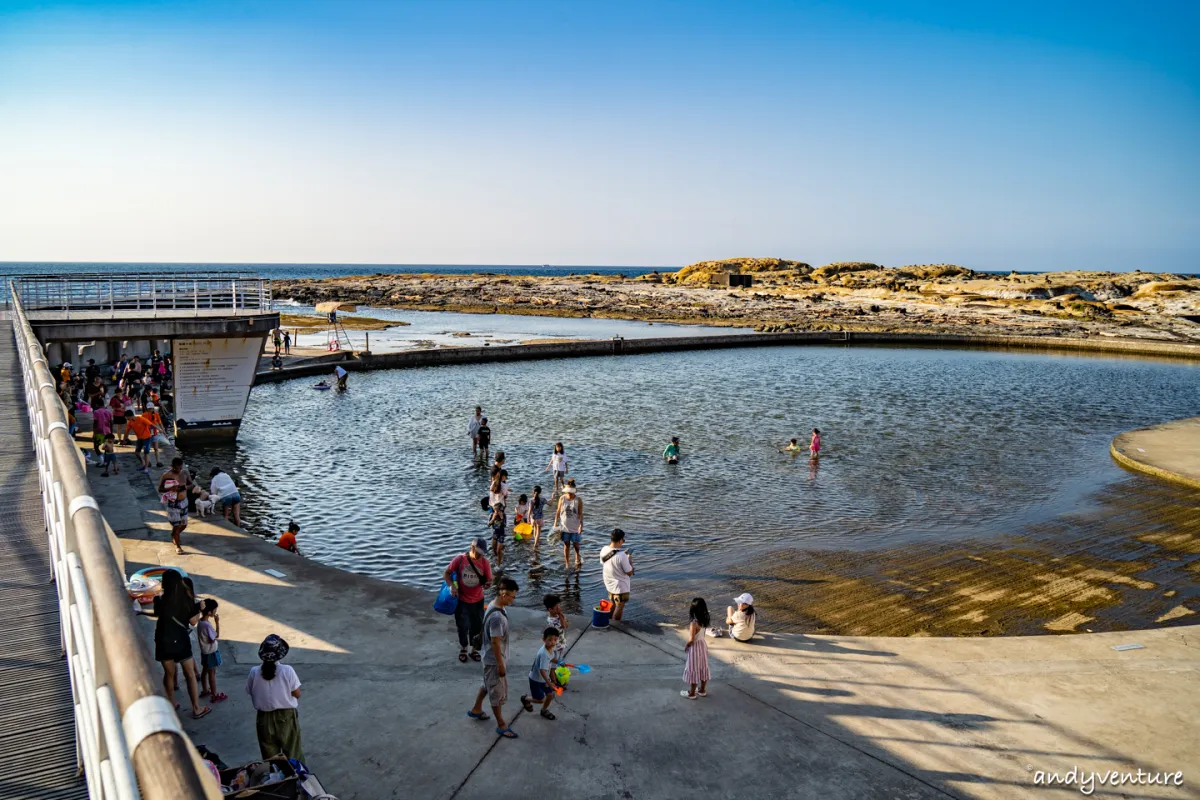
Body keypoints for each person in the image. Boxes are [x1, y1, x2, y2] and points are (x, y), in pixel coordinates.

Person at [153, 570, 210, 718]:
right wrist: (200, 609)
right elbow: (193, 622)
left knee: (169, 675)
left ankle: (171, 705)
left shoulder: (158, 600)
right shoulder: (186, 600)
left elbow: (158, 614)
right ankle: (197, 708)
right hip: (180, 641)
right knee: (190, 675)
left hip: (163, 640)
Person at [468, 576, 520, 739]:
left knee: (487, 684)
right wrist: (500, 665)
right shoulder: (497, 617)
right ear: (504, 594)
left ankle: (476, 709)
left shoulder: (493, 605)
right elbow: (495, 642)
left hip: (490, 658)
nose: (513, 600)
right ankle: (501, 724)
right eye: (512, 597)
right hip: (493, 660)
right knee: (496, 693)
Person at [246, 634, 305, 761]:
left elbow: (251, 691)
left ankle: (276, 780)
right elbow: (297, 694)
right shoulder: (287, 670)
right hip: (286, 717)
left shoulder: (254, 672)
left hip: (263, 719)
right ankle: (297, 778)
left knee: (271, 760)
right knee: (293, 754)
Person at [444, 537, 493, 663]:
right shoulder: (460, 559)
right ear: (472, 548)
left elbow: (489, 579)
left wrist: (488, 584)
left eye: (482, 554)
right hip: (462, 600)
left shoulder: (484, 563)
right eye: (478, 553)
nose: (480, 556)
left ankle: (474, 650)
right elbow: (447, 573)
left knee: (476, 626)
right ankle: (464, 648)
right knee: (462, 626)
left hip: (478, 600)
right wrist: (452, 586)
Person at [520, 628, 560, 721]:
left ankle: (544, 711)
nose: (552, 642)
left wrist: (559, 662)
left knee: (550, 695)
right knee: (540, 700)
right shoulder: (543, 654)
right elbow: (542, 670)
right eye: (550, 640)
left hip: (543, 679)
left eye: (555, 640)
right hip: (536, 680)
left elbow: (552, 658)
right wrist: (549, 683)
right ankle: (525, 698)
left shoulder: (550, 649)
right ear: (544, 639)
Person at [600, 529, 634, 622]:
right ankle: (615, 626)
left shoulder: (604, 549)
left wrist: (623, 555)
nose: (623, 542)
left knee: (612, 604)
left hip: (609, 584)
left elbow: (605, 562)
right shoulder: (622, 556)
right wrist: (629, 559)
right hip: (620, 587)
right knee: (619, 607)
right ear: (620, 540)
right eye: (623, 540)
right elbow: (630, 572)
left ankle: (608, 622)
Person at [198, 599, 227, 703]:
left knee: (204, 670)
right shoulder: (207, 625)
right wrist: (217, 622)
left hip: (204, 651)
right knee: (212, 673)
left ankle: (205, 689)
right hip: (210, 652)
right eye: (215, 610)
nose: (215, 612)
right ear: (209, 612)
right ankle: (214, 695)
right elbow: (215, 636)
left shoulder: (200, 622)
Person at [682, 598, 711, 700]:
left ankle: (692, 693)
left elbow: (691, 639)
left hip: (695, 649)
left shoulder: (693, 623)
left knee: (694, 669)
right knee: (703, 667)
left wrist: (687, 645)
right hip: (703, 646)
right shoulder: (705, 619)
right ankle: (702, 690)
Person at [555, 478, 584, 570]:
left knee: (576, 545)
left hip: (575, 526)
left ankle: (577, 556)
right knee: (566, 544)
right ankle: (567, 563)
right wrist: (555, 522)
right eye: (568, 492)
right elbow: (558, 511)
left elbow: (580, 514)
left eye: (571, 492)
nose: (569, 494)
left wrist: (581, 525)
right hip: (564, 526)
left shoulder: (578, 500)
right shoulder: (562, 498)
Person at [127, 408, 158, 472]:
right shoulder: (130, 422)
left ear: (130, 416)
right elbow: (127, 431)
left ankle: (146, 468)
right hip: (139, 439)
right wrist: (124, 439)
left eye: (127, 418)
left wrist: (160, 430)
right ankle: (143, 463)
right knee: (137, 453)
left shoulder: (141, 419)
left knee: (146, 453)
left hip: (147, 438)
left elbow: (152, 424)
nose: (127, 419)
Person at [163, 481, 189, 555]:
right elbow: (161, 489)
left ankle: (174, 535)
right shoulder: (168, 476)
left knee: (184, 525)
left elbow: (190, 484)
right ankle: (178, 546)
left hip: (184, 505)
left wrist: (185, 487)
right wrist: (172, 490)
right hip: (174, 507)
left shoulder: (184, 475)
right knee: (176, 526)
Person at [543, 594, 568, 669]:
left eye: (559, 606)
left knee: (559, 662)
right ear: (550, 609)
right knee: (554, 664)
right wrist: (561, 615)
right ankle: (553, 679)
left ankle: (555, 675)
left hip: (561, 643)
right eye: (556, 607)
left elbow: (566, 625)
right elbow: (564, 626)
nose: (559, 608)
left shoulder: (557, 616)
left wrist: (561, 615)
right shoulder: (552, 622)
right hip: (556, 647)